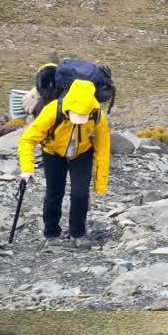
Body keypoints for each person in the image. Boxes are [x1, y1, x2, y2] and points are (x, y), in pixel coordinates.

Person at [17, 80, 111, 245]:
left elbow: (103, 149)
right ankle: (51, 234)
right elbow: (27, 140)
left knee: (80, 194)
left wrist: (100, 184)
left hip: (82, 153)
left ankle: (77, 234)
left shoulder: (97, 115)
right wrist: (27, 168)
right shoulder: (53, 110)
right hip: (53, 153)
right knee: (54, 193)